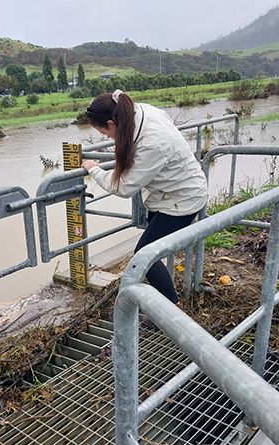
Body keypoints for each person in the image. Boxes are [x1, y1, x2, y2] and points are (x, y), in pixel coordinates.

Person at [81, 89, 207, 304]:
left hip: (182, 199)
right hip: (164, 194)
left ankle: (172, 309)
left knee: (144, 256)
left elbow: (124, 187)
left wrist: (94, 170)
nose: (107, 138)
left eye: (104, 133)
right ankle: (163, 297)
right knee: (154, 252)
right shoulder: (138, 112)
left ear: (112, 123)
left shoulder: (153, 142)